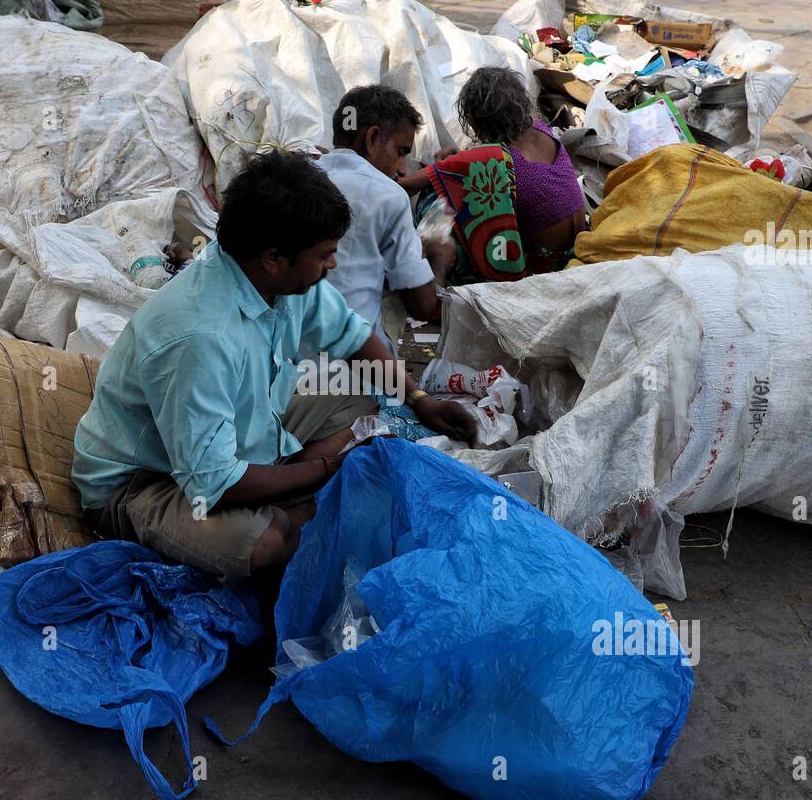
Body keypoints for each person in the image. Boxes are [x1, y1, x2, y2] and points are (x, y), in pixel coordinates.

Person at [71, 150, 475, 582]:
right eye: (323, 255)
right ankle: (285, 506)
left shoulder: (283, 283)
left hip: (231, 441)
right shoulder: (200, 338)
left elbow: (354, 338)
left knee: (364, 387)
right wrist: (325, 471)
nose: (332, 265)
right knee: (266, 542)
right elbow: (216, 483)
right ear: (273, 257)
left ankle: (287, 494)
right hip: (145, 480)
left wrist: (420, 400)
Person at [403, 66, 587, 283]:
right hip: (574, 244)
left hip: (542, 265)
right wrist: (461, 161)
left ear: (478, 120)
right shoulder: (542, 130)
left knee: (440, 196)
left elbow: (406, 185)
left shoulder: (491, 158)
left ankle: (435, 275)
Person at [317, 85, 454, 346]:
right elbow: (422, 306)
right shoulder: (388, 195)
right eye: (400, 152)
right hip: (356, 365)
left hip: (289, 364)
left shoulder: (301, 178)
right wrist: (439, 259)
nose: (402, 168)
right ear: (372, 138)